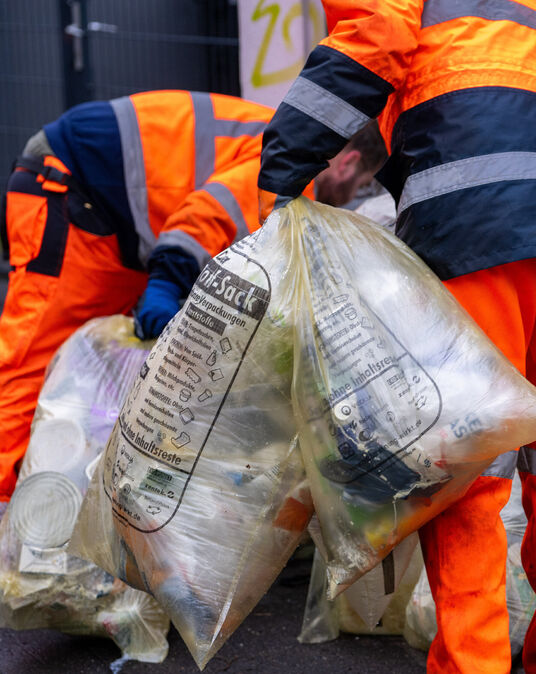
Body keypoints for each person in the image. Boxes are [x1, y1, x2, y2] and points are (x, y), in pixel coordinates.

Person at [257, 1, 536, 671]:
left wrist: (283, 171)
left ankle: (474, 662)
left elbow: (371, 40)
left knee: (468, 461)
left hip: (474, 219)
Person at [0, 89, 386, 503]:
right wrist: (166, 284)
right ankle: (8, 511)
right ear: (347, 162)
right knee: (35, 363)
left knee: (93, 372)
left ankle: (52, 502)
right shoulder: (292, 163)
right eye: (361, 184)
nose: (352, 197)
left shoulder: (284, 142)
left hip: (105, 207)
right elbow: (205, 218)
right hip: (69, 183)